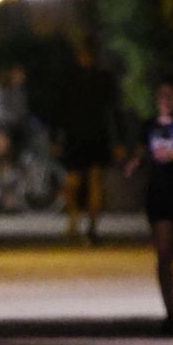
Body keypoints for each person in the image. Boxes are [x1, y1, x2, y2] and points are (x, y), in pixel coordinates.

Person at [126, 75, 173, 333]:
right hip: (159, 194)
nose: (166, 102)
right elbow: (141, 151)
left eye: (171, 97)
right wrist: (136, 162)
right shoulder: (149, 126)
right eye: (162, 97)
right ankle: (170, 314)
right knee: (164, 253)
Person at [57, 42, 122, 244]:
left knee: (92, 182)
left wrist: (118, 140)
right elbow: (59, 109)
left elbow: (113, 111)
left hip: (93, 136)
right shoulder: (74, 79)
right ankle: (77, 221)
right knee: (75, 183)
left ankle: (88, 225)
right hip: (80, 136)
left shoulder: (99, 79)